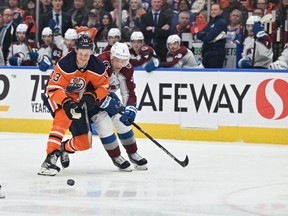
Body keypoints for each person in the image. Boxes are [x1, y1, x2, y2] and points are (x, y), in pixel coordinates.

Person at [38, 34, 110, 176]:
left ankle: (62, 148)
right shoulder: (65, 64)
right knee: (63, 118)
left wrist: (93, 96)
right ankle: (49, 160)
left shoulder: (96, 66)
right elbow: (53, 88)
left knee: (85, 142)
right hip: (57, 95)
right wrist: (66, 102)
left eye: (87, 54)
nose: (83, 57)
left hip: (76, 99)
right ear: (76, 50)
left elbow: (104, 86)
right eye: (81, 53)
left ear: (91, 53)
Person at [90, 42, 148, 171]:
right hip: (90, 101)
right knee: (104, 124)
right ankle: (116, 157)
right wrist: (103, 102)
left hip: (108, 96)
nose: (119, 64)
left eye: (123, 61)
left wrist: (130, 110)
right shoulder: (100, 63)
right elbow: (88, 90)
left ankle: (133, 153)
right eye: (116, 60)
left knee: (123, 120)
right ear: (111, 56)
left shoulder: (127, 68)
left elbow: (128, 92)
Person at [197, 3, 227, 68]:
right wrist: (206, 33)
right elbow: (198, 35)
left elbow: (208, 38)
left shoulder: (221, 22)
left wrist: (205, 34)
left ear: (221, 11)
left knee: (214, 75)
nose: (213, 11)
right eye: (212, 10)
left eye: (215, 10)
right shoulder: (210, 22)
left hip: (216, 53)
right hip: (207, 52)